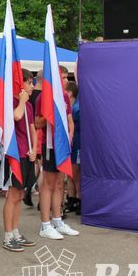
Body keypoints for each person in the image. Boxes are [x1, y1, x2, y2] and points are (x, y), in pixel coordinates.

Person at [35, 68, 78, 241]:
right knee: (49, 183)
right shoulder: (42, 97)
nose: (66, 80)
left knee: (60, 183)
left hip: (63, 145)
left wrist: (70, 136)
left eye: (66, 77)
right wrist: (49, 114)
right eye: (62, 77)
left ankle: (58, 220)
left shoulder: (65, 97)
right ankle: (45, 224)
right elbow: (38, 122)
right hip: (50, 145)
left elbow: (69, 120)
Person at [2, 71, 37, 252]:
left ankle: (15, 231)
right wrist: (22, 101)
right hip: (16, 155)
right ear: (20, 84)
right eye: (29, 83)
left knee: (21, 195)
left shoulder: (29, 106)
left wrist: (35, 149)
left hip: (27, 154)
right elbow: (16, 117)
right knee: (13, 195)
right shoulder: (14, 102)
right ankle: (7, 235)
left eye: (33, 82)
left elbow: (33, 130)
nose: (32, 86)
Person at [63, 82, 81, 215]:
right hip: (70, 144)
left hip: (77, 144)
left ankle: (79, 200)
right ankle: (71, 198)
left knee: (76, 175)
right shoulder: (71, 107)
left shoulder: (76, 108)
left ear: (69, 93)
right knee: (70, 174)